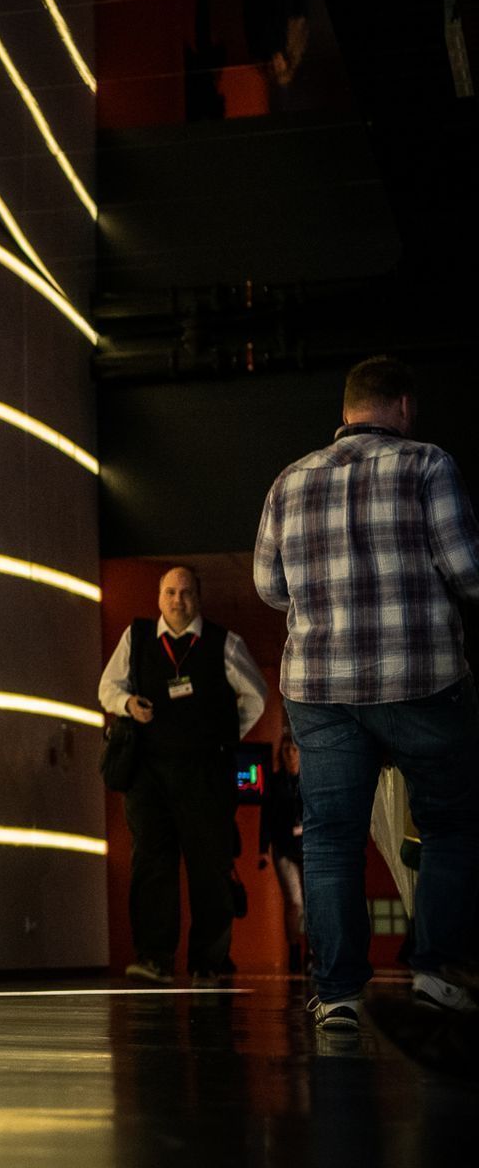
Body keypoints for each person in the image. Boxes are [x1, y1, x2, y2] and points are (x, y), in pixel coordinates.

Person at [254, 355, 479, 1033]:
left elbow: (268, 588)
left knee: (330, 839)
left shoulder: (289, 480)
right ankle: (436, 974)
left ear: (347, 409)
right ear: (403, 406)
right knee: (451, 824)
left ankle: (339, 997)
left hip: (320, 688)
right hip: (420, 680)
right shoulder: (427, 464)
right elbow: (467, 570)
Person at [98, 565, 268, 984]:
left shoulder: (224, 642)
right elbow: (107, 688)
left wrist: (225, 732)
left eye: (186, 592)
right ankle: (154, 958)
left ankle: (207, 964)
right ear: (159, 597)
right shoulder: (136, 637)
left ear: (198, 598)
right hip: (149, 772)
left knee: (209, 868)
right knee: (151, 865)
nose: (178, 600)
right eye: (171, 592)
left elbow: (257, 695)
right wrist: (127, 705)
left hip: (205, 773)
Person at [258, 736, 306, 972]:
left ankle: (314, 954)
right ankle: (294, 950)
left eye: (294, 749)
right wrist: (263, 850)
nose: (291, 754)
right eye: (286, 750)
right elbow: (266, 817)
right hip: (284, 848)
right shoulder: (275, 782)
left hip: (308, 848)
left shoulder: (309, 779)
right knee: (294, 902)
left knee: (314, 904)